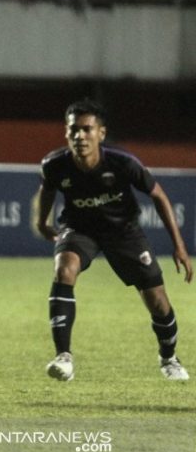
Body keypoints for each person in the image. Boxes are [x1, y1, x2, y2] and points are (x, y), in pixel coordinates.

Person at [35, 99, 192, 382]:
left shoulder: (123, 163)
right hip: (79, 228)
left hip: (123, 231)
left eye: (87, 130)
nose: (80, 136)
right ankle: (64, 357)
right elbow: (47, 189)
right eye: (74, 130)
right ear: (66, 133)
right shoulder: (55, 164)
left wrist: (179, 246)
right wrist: (41, 222)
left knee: (157, 302)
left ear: (101, 134)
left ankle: (168, 357)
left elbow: (158, 195)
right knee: (64, 268)